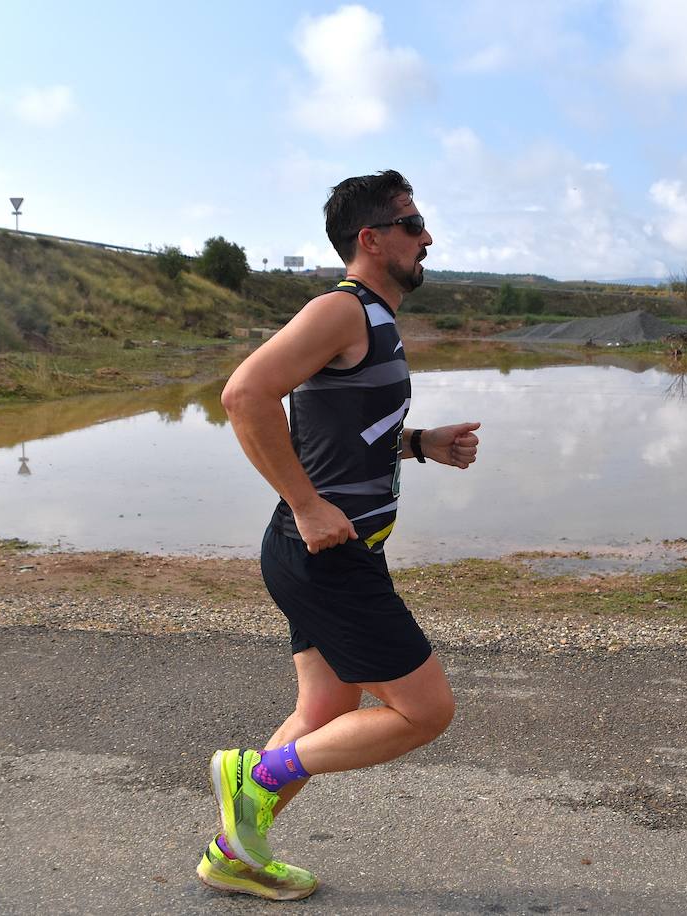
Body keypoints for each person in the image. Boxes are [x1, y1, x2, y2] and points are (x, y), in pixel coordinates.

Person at [197, 170, 481, 901]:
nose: (427, 238)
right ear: (372, 238)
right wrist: (307, 503)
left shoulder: (373, 321)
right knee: (425, 711)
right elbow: (243, 394)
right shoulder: (342, 309)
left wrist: (421, 444)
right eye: (414, 224)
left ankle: (235, 854)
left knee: (322, 713)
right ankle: (255, 777)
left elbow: (343, 434)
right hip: (325, 552)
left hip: (325, 552)